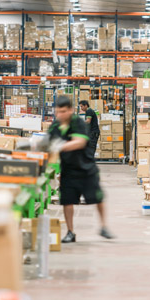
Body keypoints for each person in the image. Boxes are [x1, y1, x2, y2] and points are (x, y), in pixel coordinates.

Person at [49, 96, 114, 243]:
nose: (60, 115)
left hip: (86, 168)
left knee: (98, 198)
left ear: (71, 110)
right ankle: (70, 232)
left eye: (63, 111)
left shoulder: (78, 123)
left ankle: (104, 226)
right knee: (67, 201)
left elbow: (80, 142)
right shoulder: (55, 126)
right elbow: (48, 144)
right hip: (68, 170)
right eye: (58, 112)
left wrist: (59, 146)